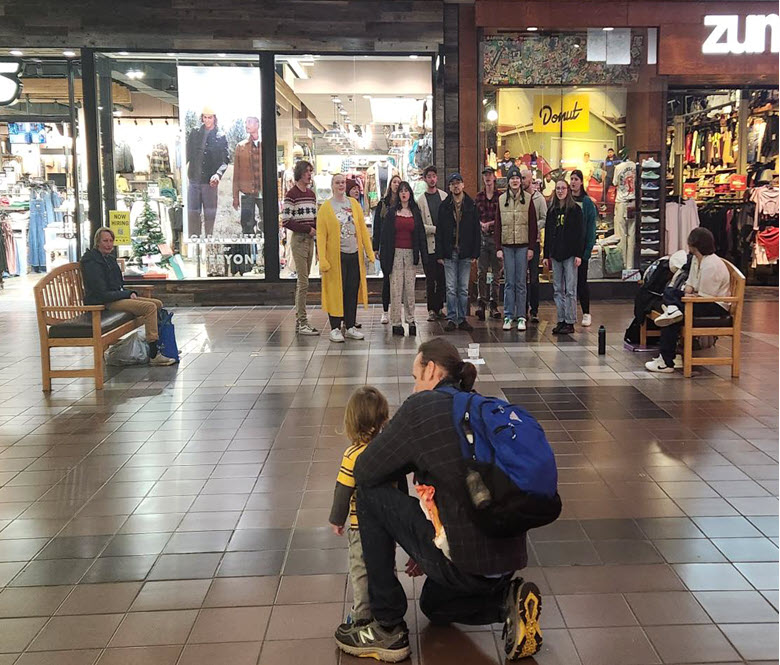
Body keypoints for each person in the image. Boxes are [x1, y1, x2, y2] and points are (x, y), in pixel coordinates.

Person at [334, 337, 541, 663]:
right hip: (505, 561)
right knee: (433, 604)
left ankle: (386, 627)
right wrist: (416, 537)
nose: (415, 387)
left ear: (431, 370)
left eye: (416, 377)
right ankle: (507, 601)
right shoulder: (478, 405)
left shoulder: (423, 407)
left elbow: (366, 468)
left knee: (370, 492)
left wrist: (407, 527)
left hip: (463, 560)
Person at [329, 386, 392, 627]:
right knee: (384, 566)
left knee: (360, 570)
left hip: (360, 526)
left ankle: (362, 614)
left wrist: (337, 519)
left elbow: (343, 490)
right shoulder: (387, 451)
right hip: (386, 525)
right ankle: (385, 607)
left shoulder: (352, 454)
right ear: (383, 419)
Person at [81, 227, 175, 366]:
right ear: (97, 242)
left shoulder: (108, 259)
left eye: (111, 241)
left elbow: (118, 284)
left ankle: (163, 346)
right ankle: (154, 354)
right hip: (103, 302)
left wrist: (127, 293)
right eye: (105, 241)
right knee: (149, 308)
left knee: (157, 303)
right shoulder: (92, 262)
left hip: (115, 297)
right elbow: (102, 293)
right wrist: (126, 294)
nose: (108, 244)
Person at [645, 228, 731, 373]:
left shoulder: (711, 265)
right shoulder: (697, 261)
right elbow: (690, 285)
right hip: (700, 300)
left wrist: (689, 296)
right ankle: (667, 357)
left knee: (671, 318)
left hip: (714, 305)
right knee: (670, 293)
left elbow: (706, 296)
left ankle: (666, 361)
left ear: (694, 244)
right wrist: (687, 294)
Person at [317, 173, 375, 343]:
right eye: (337, 182)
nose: (341, 185)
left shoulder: (354, 204)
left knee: (351, 291)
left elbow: (362, 230)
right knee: (336, 292)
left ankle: (349, 326)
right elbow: (321, 235)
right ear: (332, 185)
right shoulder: (325, 208)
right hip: (336, 258)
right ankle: (335, 327)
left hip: (353, 256)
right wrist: (323, 259)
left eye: (343, 182)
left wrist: (369, 251)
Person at [380, 181, 426, 337]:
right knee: (396, 288)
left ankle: (411, 320)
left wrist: (421, 254)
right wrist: (384, 257)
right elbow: (385, 237)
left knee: (410, 289)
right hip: (395, 254)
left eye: (406, 191)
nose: (404, 193)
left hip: (410, 253)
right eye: (401, 191)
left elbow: (420, 236)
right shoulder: (392, 213)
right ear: (398, 194)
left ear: (410, 194)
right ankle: (396, 322)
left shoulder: (415, 212)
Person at [436, 173, 481, 332]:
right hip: (449, 251)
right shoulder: (444, 205)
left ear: (463, 185)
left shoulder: (471, 205)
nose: (456, 186)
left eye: (458, 183)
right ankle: (451, 317)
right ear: (449, 187)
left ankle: (462, 318)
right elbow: (439, 231)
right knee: (450, 287)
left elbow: (477, 230)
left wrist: (476, 253)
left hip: (465, 251)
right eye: (452, 183)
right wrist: (439, 253)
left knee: (463, 287)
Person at [495, 166, 537, 332]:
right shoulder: (501, 200)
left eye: (517, 178)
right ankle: (508, 315)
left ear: (521, 181)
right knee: (509, 283)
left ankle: (521, 316)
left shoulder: (528, 198)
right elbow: (498, 224)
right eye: (512, 178)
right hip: (506, 246)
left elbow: (533, 225)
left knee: (521, 282)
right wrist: (498, 246)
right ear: (508, 181)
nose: (514, 181)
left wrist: (531, 247)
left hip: (522, 246)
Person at [282, 160, 319, 336]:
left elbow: (315, 217)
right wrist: (307, 229)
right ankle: (302, 320)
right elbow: (286, 220)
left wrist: (316, 231)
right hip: (299, 239)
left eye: (311, 172)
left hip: (310, 239)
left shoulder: (311, 194)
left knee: (305, 280)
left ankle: (301, 319)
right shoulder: (291, 194)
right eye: (306, 172)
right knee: (303, 282)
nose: (309, 175)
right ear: (299, 173)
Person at [544, 179, 585, 335]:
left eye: (562, 188)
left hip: (570, 254)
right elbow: (548, 233)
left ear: (567, 190)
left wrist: (578, 254)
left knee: (570, 290)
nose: (560, 191)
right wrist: (546, 254)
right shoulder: (552, 210)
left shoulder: (575, 210)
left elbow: (580, 234)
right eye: (558, 189)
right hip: (556, 254)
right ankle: (560, 319)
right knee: (557, 289)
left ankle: (570, 321)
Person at [185, 106, 229, 237]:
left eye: (210, 117)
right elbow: (187, 152)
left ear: (215, 118)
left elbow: (225, 161)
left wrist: (218, 174)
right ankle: (195, 240)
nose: (207, 120)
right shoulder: (195, 133)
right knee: (192, 213)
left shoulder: (221, 136)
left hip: (209, 182)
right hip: (194, 180)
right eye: (205, 117)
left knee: (210, 214)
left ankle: (209, 239)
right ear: (202, 118)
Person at [416, 166, 447, 322]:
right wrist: (436, 229)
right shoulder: (421, 200)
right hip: (429, 245)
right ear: (425, 179)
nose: (432, 179)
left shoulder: (444, 196)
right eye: (429, 176)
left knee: (442, 278)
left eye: (434, 176)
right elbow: (420, 225)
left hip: (443, 247)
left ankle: (440, 307)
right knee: (430, 279)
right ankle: (431, 310)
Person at [232, 116, 262, 272]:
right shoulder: (241, 146)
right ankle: (249, 261)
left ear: (257, 124)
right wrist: (235, 196)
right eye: (245, 122)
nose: (247, 125)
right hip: (247, 191)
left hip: (263, 191)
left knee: (266, 225)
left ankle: (264, 260)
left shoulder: (265, 144)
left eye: (250, 122)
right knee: (247, 226)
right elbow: (236, 173)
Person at [474, 166, 502, 321]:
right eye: (485, 175)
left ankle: (494, 304)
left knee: (496, 274)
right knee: (481, 272)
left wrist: (490, 223)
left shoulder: (500, 197)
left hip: (496, 239)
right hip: (482, 238)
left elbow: (502, 218)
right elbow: (474, 216)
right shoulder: (479, 197)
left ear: (494, 177)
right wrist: (481, 224)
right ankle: (481, 303)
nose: (488, 177)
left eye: (490, 175)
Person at [570, 169, 597, 327]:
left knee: (581, 282)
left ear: (581, 182)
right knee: (568, 284)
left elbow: (591, 229)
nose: (573, 182)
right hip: (568, 250)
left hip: (581, 251)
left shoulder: (587, 202)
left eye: (576, 179)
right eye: (571, 179)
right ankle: (570, 313)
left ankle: (586, 312)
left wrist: (586, 251)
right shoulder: (565, 199)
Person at [373, 175, 401, 325]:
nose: (396, 185)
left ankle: (397, 311)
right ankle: (385, 311)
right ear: (390, 185)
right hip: (386, 246)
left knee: (399, 281)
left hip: (401, 246)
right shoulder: (382, 204)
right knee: (387, 280)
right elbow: (377, 226)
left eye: (399, 182)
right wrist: (375, 247)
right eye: (394, 182)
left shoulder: (405, 204)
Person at [522, 168, 547, 324]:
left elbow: (544, 218)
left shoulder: (539, 199)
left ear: (530, 179)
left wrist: (533, 226)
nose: (521, 180)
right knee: (521, 279)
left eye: (524, 178)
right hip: (521, 242)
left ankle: (535, 309)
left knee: (534, 278)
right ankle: (522, 309)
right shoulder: (519, 197)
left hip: (534, 242)